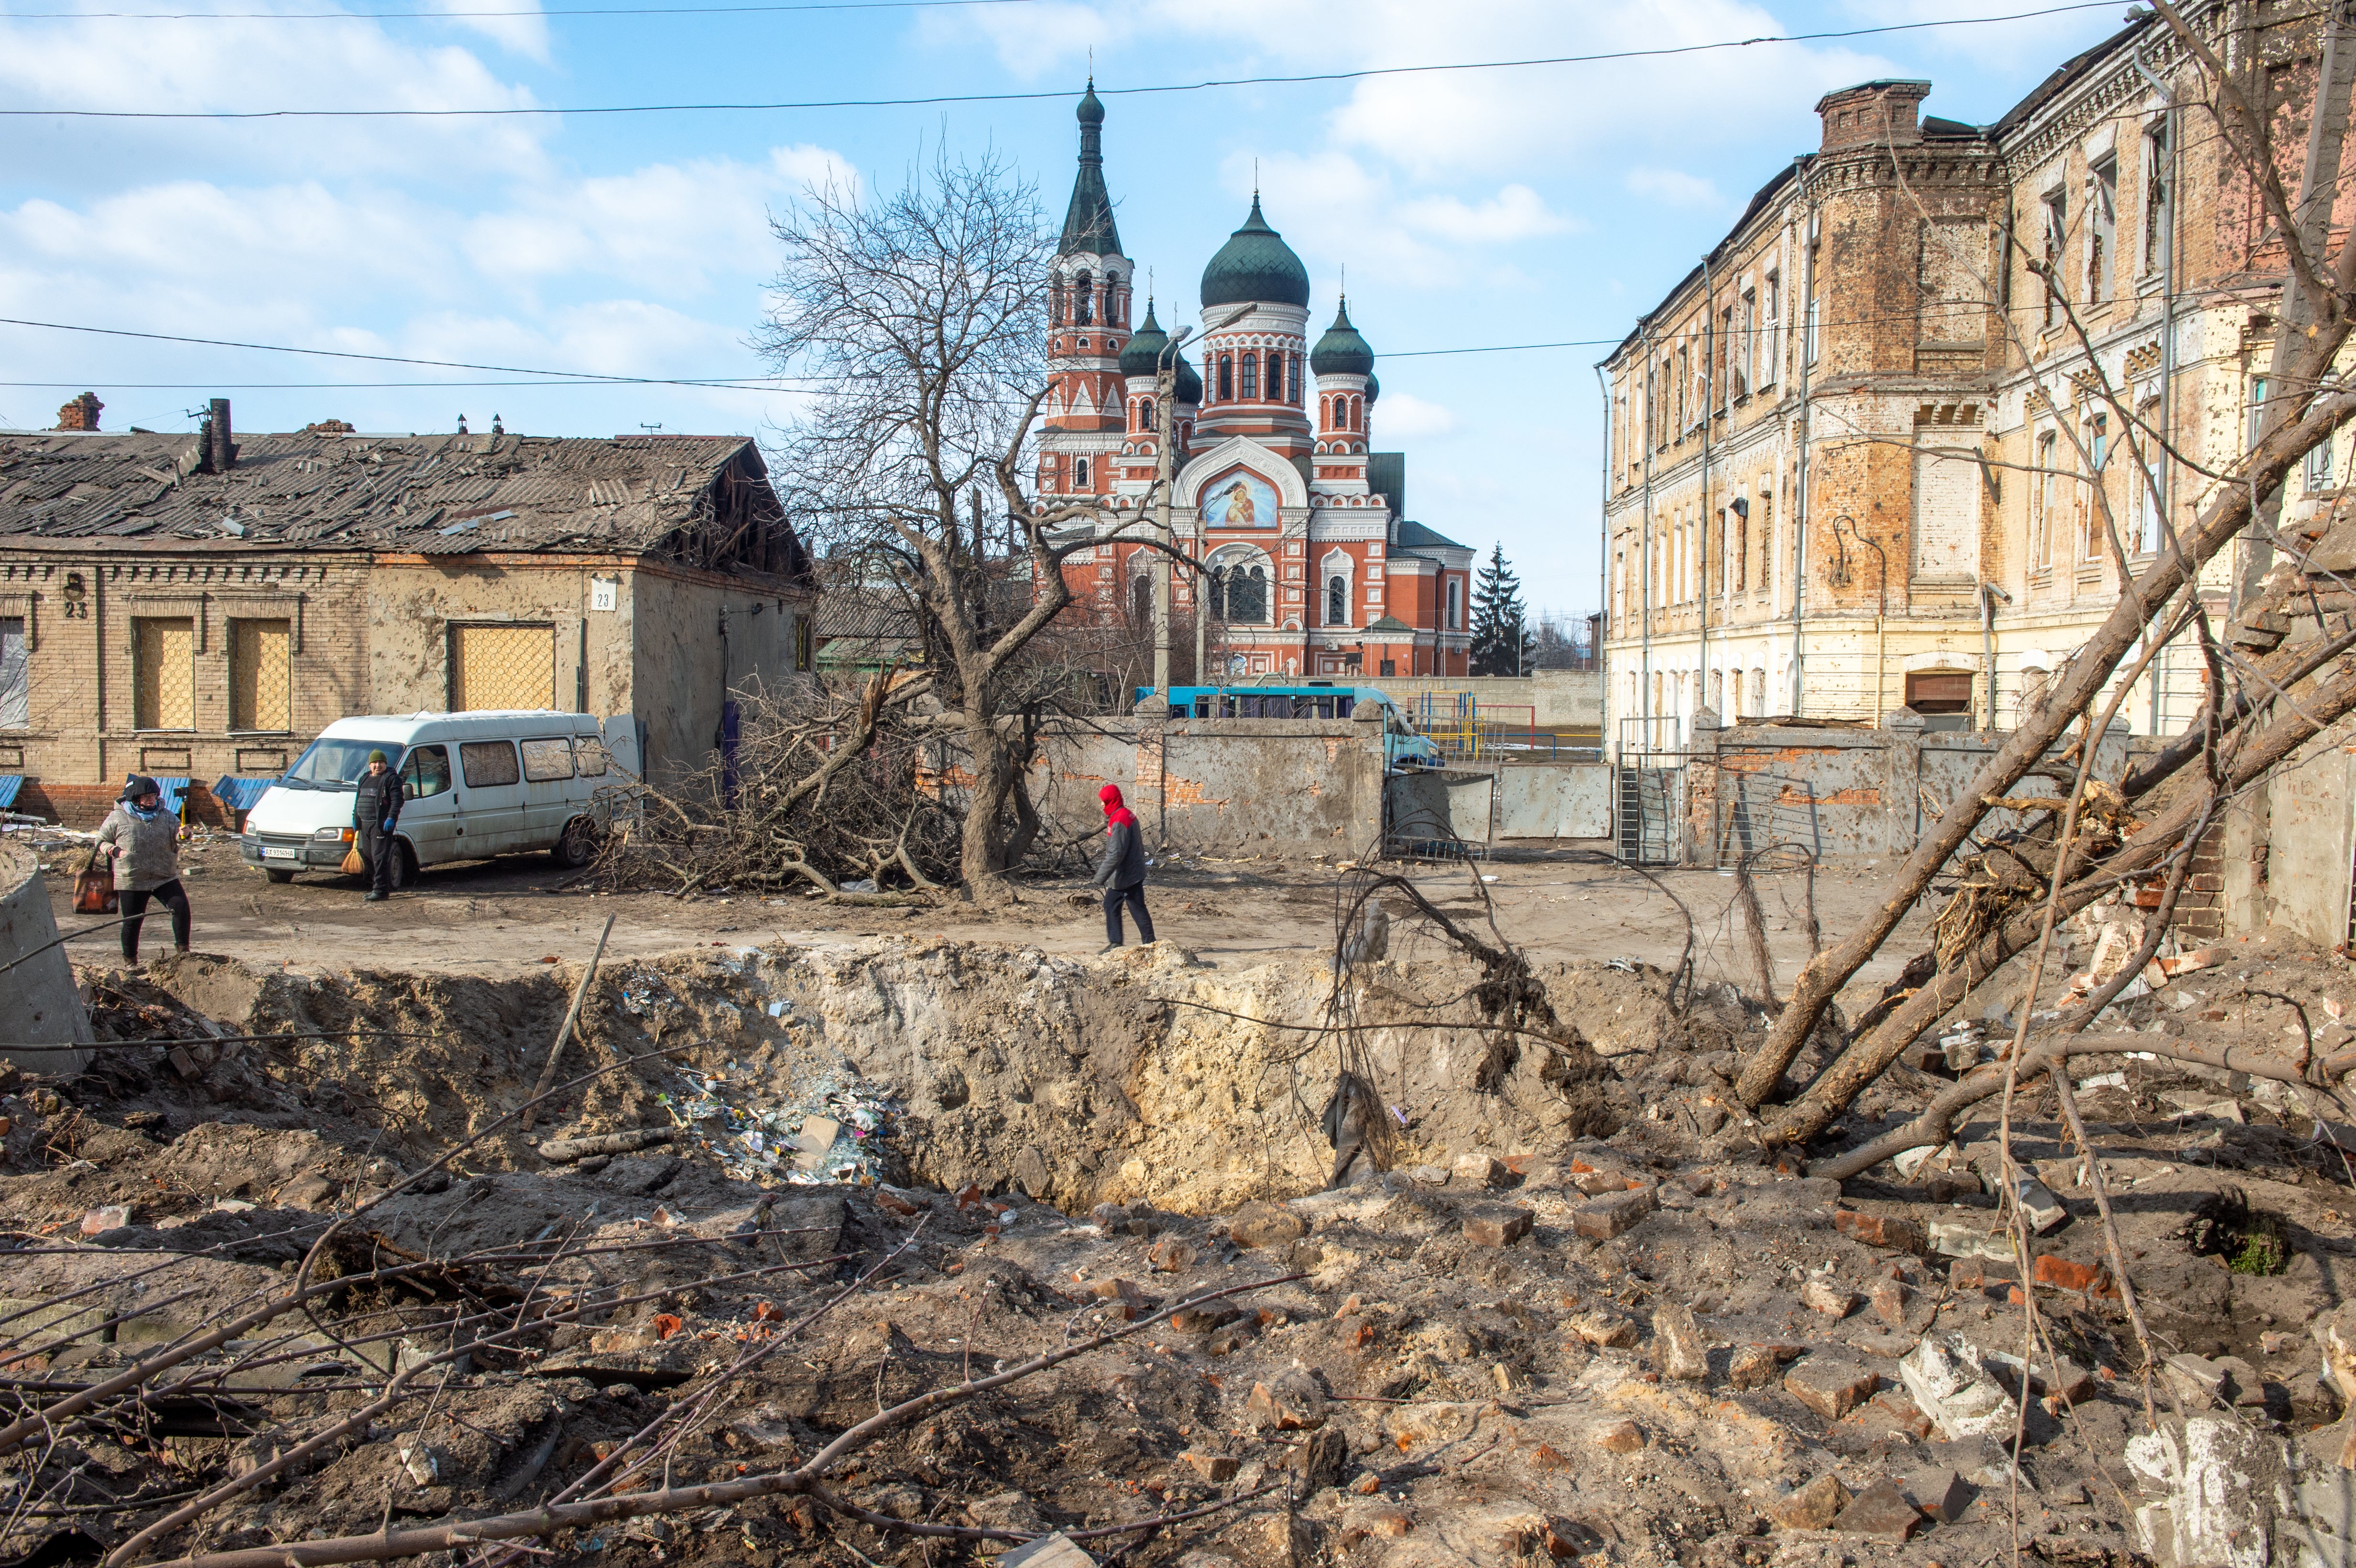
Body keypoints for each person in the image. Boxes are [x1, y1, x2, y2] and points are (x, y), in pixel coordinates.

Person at [96, 775, 189, 965]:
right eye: (146, 797)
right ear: (135, 798)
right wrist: (115, 851)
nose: (151, 800)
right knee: (133, 922)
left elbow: (177, 838)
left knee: (181, 909)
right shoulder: (118, 817)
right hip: (132, 879)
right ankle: (131, 962)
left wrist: (184, 836)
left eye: (153, 795)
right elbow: (100, 841)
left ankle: (185, 955)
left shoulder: (166, 816)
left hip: (164, 876)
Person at [1090, 783, 1154, 951]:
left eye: (1103, 801)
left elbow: (1116, 854)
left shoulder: (1120, 821)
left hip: (1127, 876)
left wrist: (1099, 877)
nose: (1101, 804)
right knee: (1111, 904)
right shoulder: (1125, 815)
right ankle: (1118, 942)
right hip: (1130, 873)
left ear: (1110, 801)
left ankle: (1148, 944)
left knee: (1136, 908)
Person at [353, 749, 406, 902]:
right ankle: (377, 886)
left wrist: (391, 818)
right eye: (375, 763)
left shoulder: (391, 779)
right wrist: (355, 818)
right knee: (368, 855)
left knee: (380, 858)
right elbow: (358, 799)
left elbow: (398, 800)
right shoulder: (364, 778)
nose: (378, 765)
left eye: (381, 763)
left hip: (380, 825)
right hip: (365, 824)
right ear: (370, 765)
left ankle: (381, 891)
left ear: (385, 764)